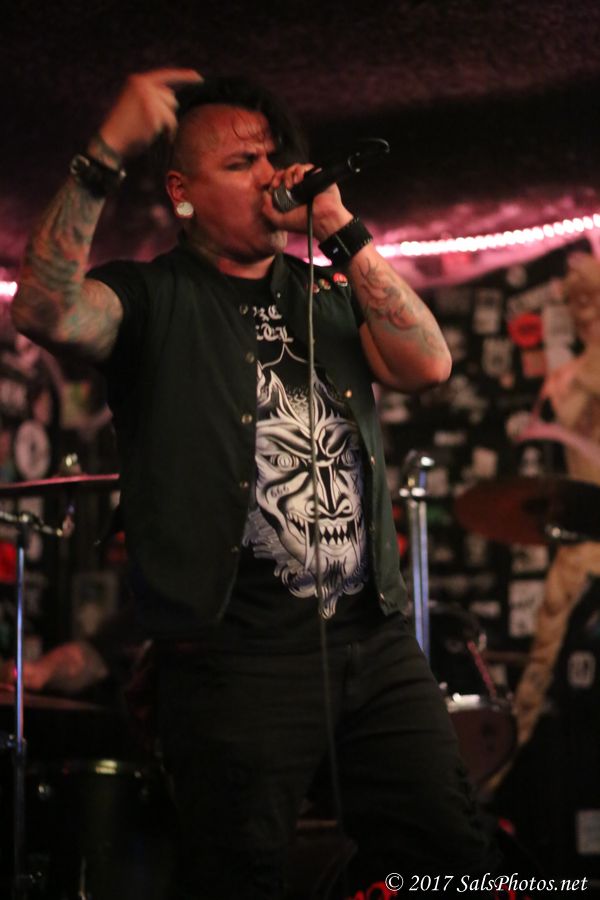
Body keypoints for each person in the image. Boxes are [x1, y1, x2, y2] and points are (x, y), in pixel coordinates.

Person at [12, 68, 496, 899]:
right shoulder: (151, 297)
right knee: (240, 879)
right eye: (240, 164)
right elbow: (44, 310)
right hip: (237, 659)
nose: (269, 176)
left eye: (271, 157)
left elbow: (429, 364)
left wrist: (338, 224)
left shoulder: (326, 291)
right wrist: (105, 152)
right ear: (182, 192)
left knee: (450, 859)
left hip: (374, 642)